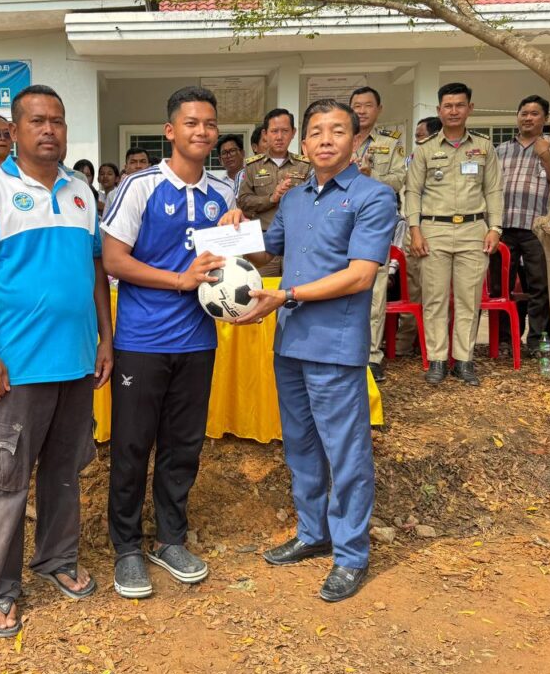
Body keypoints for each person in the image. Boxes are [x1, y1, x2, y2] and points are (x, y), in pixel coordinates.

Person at [0, 84, 113, 637]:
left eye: (57, 121)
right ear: (15, 131)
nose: (49, 130)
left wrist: (106, 338)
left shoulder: (81, 191)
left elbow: (96, 270)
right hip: (17, 366)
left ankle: (57, 559)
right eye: (37, 121)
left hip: (76, 361)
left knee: (65, 472)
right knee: (7, 480)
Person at [227, 98, 397, 603]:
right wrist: (236, 226)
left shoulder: (373, 197)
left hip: (334, 345)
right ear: (304, 143)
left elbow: (360, 275)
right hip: (291, 342)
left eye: (337, 130)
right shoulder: (296, 198)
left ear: (354, 139)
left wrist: (287, 295)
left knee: (345, 452)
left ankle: (351, 554)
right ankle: (313, 532)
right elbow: (267, 252)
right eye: (317, 131)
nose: (326, 139)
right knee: (300, 445)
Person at [101, 86, 235, 600]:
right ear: (170, 130)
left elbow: (241, 264)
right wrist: (181, 280)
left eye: (209, 123)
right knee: (132, 445)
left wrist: (239, 233)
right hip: (143, 339)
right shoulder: (139, 187)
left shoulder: (223, 192)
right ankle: (127, 546)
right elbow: (114, 260)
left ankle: (170, 539)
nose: (202, 131)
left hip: (198, 339)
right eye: (191, 122)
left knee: (183, 446)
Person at [406, 83, 503, 386]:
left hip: (474, 230)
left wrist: (495, 228)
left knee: (468, 300)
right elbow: (412, 192)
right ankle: (437, 359)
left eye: (460, 105)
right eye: (448, 106)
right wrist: (415, 230)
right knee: (434, 299)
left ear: (469, 108)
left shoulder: (484, 147)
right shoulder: (425, 149)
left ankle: (463, 360)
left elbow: (494, 190)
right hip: (433, 229)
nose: (453, 111)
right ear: (439, 110)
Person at [349, 86, 406, 383]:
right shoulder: (340, 138)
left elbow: (399, 179)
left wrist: (372, 178)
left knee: (374, 290)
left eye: (367, 105)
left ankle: (371, 357)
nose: (361, 110)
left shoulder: (390, 143)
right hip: (342, 223)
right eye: (356, 105)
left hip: (374, 224)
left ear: (379, 109)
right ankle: (347, 352)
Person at [492, 95, 550, 356]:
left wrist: (546, 155)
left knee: (540, 286)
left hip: (537, 229)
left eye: (534, 113)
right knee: (500, 287)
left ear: (546, 118)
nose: (528, 118)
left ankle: (536, 341)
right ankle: (505, 340)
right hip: (503, 227)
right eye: (524, 113)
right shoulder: (501, 150)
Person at [237, 108, 310, 276]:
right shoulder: (252, 166)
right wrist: (272, 198)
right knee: (261, 288)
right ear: (265, 134)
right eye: (274, 131)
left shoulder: (305, 165)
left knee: (296, 288)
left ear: (293, 133)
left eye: (285, 131)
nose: (279, 136)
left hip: (296, 241)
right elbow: (243, 202)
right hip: (263, 241)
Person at [395, 117, 443, 356]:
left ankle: (436, 348)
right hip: (415, 227)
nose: (417, 141)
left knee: (437, 292)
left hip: (441, 229)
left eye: (420, 136)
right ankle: (405, 343)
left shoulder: (447, 160)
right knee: (412, 289)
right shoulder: (412, 160)